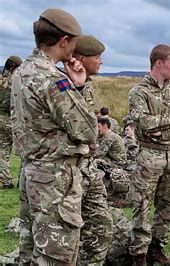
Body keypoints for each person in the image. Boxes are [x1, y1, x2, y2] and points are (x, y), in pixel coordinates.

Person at [11, 8, 98, 265]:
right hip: (55, 180)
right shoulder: (51, 79)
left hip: (32, 172)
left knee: (31, 251)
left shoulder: (23, 71)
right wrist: (79, 86)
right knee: (55, 256)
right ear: (63, 41)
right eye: (73, 42)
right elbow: (87, 129)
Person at [128, 44, 170, 265]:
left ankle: (157, 247)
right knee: (142, 204)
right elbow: (142, 121)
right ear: (159, 63)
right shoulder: (139, 92)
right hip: (148, 156)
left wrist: (161, 131)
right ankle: (138, 254)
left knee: (168, 205)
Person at [73, 34, 113, 265]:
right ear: (80, 58)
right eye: (97, 57)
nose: (101, 62)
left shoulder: (86, 85)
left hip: (88, 167)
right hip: (68, 170)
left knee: (102, 227)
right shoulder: (62, 84)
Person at [95, 117, 128, 207]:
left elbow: (99, 154)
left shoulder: (110, 137)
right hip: (117, 161)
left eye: (99, 127)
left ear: (105, 126)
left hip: (118, 164)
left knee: (97, 162)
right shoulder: (111, 135)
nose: (97, 129)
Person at [0, 55, 22, 189]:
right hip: (13, 119)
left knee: (2, 151)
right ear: (15, 66)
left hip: (0, 118)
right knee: (25, 150)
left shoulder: (1, 80)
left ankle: (6, 181)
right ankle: (23, 180)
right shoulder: (17, 81)